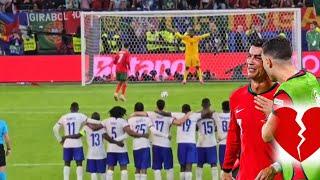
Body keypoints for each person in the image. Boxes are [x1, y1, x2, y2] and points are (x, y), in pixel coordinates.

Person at [255, 37, 320, 180]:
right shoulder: (310, 79)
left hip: (303, 174)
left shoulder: (284, 92)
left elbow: (266, 135)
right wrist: (276, 167)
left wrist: (271, 113)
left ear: (268, 62)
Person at [221, 39, 282, 180]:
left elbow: (297, 143)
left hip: (277, 175)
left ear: (269, 62)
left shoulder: (284, 96)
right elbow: (233, 136)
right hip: (246, 175)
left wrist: (275, 168)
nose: (250, 61)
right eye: (249, 56)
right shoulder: (237, 97)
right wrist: (226, 168)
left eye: (257, 58)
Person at [61, 112, 123, 180]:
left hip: (91, 154)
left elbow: (77, 136)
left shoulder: (86, 128)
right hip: (101, 154)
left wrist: (66, 136)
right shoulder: (102, 128)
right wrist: (117, 143)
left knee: (93, 173)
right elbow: (109, 140)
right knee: (103, 172)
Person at [53, 102, 88, 180]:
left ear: (70, 109)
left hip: (67, 143)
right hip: (77, 143)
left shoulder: (64, 117)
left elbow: (55, 129)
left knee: (67, 163)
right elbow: (89, 124)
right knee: (79, 163)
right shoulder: (81, 115)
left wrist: (60, 140)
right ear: (78, 109)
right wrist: (81, 133)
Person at [196, 98, 220, 180]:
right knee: (213, 164)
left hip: (200, 143)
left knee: (199, 164)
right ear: (209, 105)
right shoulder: (213, 114)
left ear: (202, 105)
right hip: (211, 143)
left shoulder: (198, 115)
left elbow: (195, 128)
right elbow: (217, 128)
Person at [216, 101, 230, 170]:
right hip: (231, 144)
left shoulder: (218, 115)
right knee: (233, 166)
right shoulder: (233, 115)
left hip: (222, 144)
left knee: (222, 166)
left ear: (222, 108)